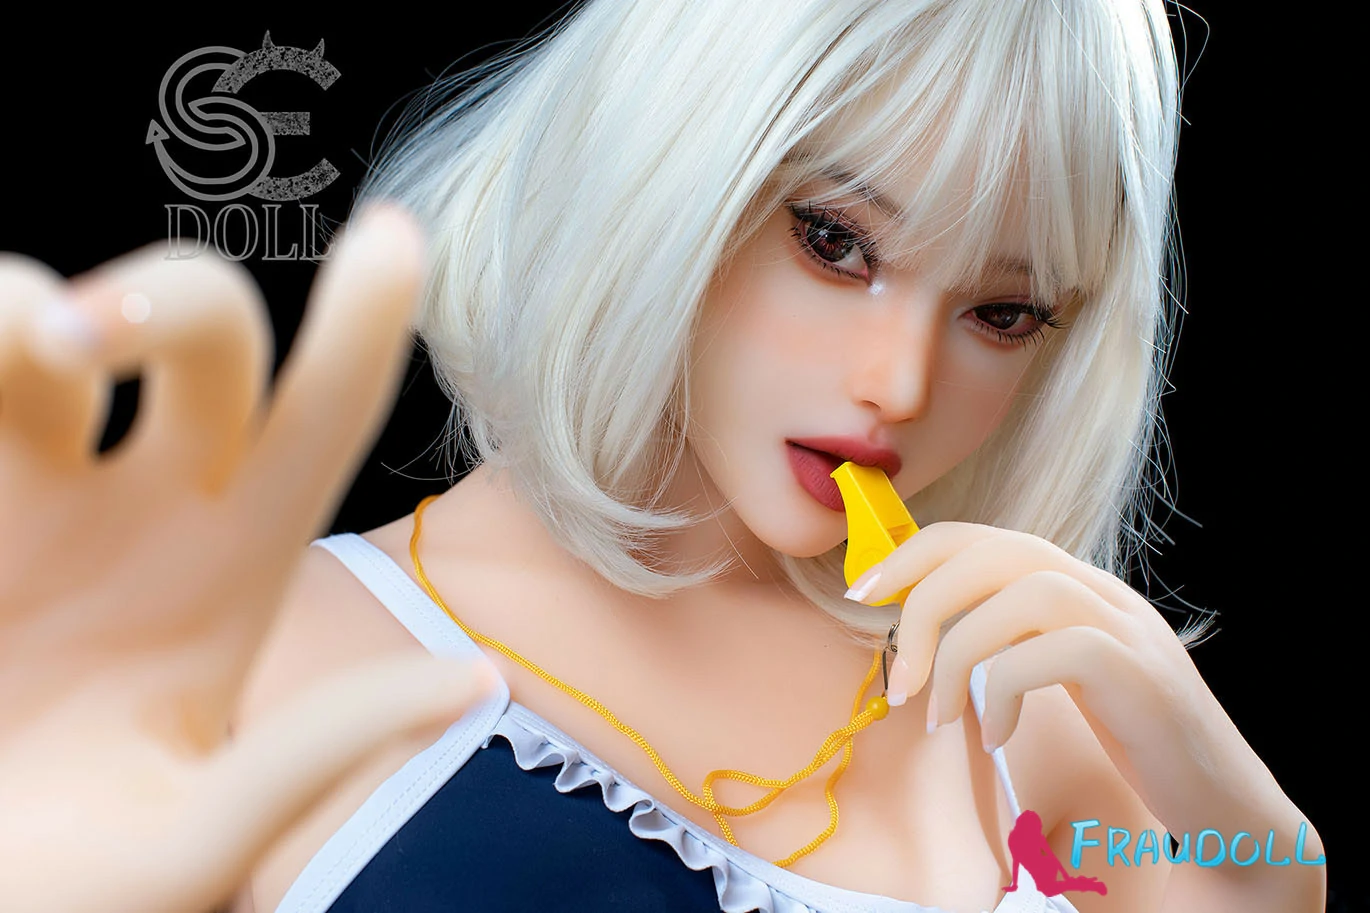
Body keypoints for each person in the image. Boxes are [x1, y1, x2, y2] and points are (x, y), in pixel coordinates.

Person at [0, 1, 1327, 912]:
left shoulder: (1020, 722)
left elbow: (1235, 888)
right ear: (662, 172)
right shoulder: (264, 652)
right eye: (833, 241)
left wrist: (1252, 831)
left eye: (1003, 313)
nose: (900, 383)